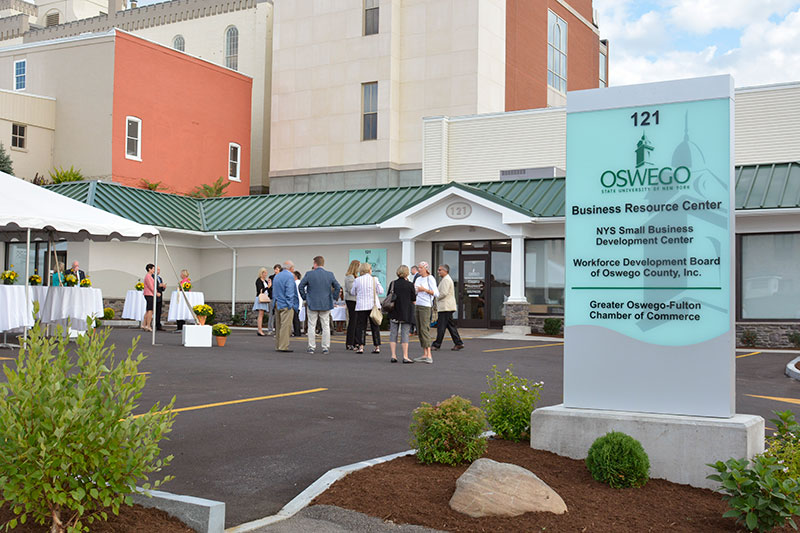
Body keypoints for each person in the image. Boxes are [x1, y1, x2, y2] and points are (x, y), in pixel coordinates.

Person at [298, 255, 341, 355]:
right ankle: (325, 347)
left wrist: (305, 297)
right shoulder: (330, 274)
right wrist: (333, 297)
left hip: (312, 302)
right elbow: (337, 287)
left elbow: (301, 286)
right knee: (325, 326)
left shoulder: (309, 274)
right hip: (326, 303)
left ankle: (311, 347)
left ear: (315, 264)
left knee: (311, 325)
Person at [350, 262, 383, 354]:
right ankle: (377, 346)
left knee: (361, 326)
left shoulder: (357, 280)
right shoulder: (374, 279)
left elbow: (353, 292)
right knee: (375, 326)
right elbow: (381, 291)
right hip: (373, 305)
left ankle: (361, 346)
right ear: (369, 270)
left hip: (361, 306)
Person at [387, 264, 416, 363]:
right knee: (405, 334)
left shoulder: (393, 284)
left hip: (394, 311)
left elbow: (388, 296)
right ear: (407, 273)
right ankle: (405, 356)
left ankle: (393, 355)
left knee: (393, 334)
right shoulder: (410, 285)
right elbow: (413, 298)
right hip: (406, 312)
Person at [432, 264, 464, 351]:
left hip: (445, 306)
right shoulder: (446, 279)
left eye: (440, 270)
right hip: (447, 306)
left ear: (445, 271)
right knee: (450, 326)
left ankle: (437, 344)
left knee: (441, 327)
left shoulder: (446, 280)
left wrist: (436, 296)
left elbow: (444, 293)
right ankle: (458, 343)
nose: (438, 271)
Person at [413, 261, 438, 364]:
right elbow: (414, 290)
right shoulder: (418, 279)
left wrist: (425, 290)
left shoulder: (430, 278)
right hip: (418, 304)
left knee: (424, 329)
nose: (419, 269)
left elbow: (436, 293)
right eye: (418, 268)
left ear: (426, 268)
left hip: (426, 305)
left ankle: (429, 355)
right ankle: (424, 353)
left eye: (421, 268)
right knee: (419, 329)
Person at [272, 260, 298, 352]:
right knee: (286, 326)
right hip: (286, 304)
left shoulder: (277, 276)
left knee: (278, 326)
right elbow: (290, 291)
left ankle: (278, 345)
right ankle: (283, 346)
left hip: (277, 302)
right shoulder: (290, 276)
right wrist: (290, 304)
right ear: (291, 268)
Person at [343, 259, 360, 350]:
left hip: (356, 301)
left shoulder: (355, 277)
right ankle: (350, 342)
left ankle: (355, 341)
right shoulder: (350, 277)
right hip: (352, 300)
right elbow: (351, 290)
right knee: (353, 321)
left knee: (356, 321)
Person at [253, 267, 270, 336]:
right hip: (260, 298)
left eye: (266, 273)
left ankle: (260, 329)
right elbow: (260, 290)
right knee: (260, 314)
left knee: (262, 314)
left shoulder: (265, 281)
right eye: (264, 273)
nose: (265, 274)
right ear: (261, 273)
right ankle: (259, 330)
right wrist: (267, 287)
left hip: (265, 298)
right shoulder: (258, 281)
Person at [266, 264, 281, 334]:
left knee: (279, 315)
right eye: (275, 269)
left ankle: (278, 329)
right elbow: (269, 287)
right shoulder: (271, 277)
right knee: (271, 314)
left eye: (277, 269)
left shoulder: (281, 277)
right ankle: (270, 329)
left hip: (279, 298)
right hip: (272, 297)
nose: (276, 271)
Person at [142, 263, 155, 332]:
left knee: (148, 310)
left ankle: (144, 324)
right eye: (153, 269)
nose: (154, 270)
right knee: (150, 310)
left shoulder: (149, 276)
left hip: (149, 294)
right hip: (149, 294)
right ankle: (148, 325)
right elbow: (151, 286)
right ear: (149, 269)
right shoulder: (148, 276)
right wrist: (156, 293)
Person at [409, 265, 420, 334]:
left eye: (411, 270)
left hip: (416, 299)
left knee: (413, 315)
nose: (410, 272)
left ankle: (414, 330)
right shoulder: (417, 276)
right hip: (415, 299)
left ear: (414, 269)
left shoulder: (417, 276)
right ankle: (415, 330)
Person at [292, 270, 303, 337]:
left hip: (296, 302)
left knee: (295, 318)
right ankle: (297, 331)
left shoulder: (295, 283)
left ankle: (297, 332)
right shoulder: (301, 283)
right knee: (296, 317)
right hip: (300, 302)